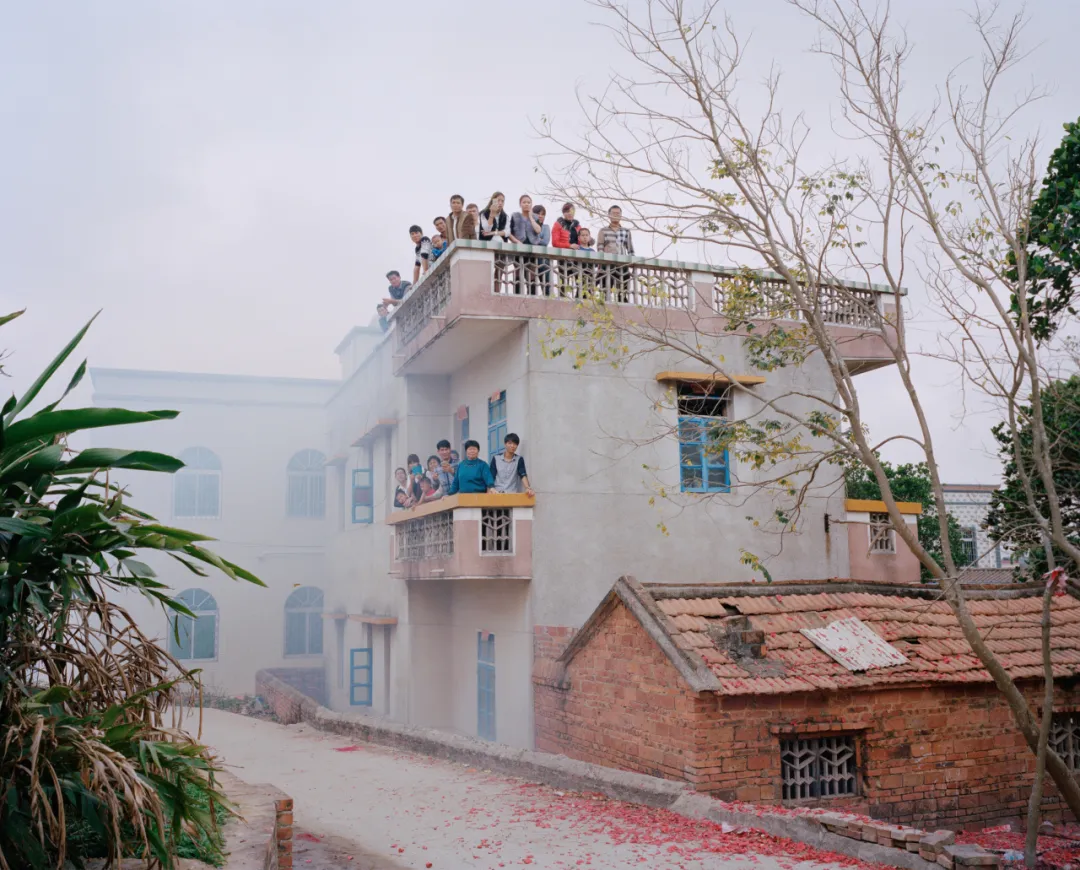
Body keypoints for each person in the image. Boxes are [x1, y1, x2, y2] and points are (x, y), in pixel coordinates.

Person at [596, 205, 634, 301]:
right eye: (614, 213)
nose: (616, 215)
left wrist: (632, 261)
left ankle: (622, 299)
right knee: (606, 287)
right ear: (609, 215)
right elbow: (600, 246)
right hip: (608, 263)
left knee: (622, 288)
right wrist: (602, 260)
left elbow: (630, 249)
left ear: (621, 215)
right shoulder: (603, 231)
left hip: (622, 263)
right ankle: (605, 301)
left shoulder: (626, 231)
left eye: (618, 213)